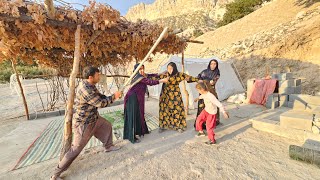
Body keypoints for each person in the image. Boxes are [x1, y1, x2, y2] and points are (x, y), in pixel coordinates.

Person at [50, 67, 122, 180]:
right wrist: (113, 97)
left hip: (94, 118)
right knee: (76, 149)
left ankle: (108, 146)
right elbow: (100, 103)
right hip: (83, 124)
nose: (99, 76)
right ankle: (56, 174)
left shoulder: (91, 85)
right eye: (98, 75)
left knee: (107, 125)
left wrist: (112, 96)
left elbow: (100, 97)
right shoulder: (85, 89)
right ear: (90, 77)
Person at [123, 64, 168, 143]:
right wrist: (162, 80)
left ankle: (141, 131)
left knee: (140, 114)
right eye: (140, 69)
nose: (142, 71)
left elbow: (150, 76)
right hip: (133, 98)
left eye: (143, 68)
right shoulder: (138, 77)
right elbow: (150, 82)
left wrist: (161, 74)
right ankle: (132, 136)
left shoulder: (142, 75)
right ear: (136, 70)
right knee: (133, 116)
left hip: (138, 97)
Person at [155, 62, 199, 133]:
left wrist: (198, 80)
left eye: (171, 68)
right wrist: (144, 76)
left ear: (174, 68)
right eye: (168, 68)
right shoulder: (165, 74)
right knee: (164, 109)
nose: (169, 70)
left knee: (177, 109)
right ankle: (163, 125)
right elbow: (155, 78)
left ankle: (179, 126)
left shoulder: (179, 75)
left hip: (175, 95)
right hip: (165, 95)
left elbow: (189, 78)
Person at [195, 59, 221, 129]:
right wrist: (199, 80)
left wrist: (206, 81)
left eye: (214, 64)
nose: (213, 65)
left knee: (213, 106)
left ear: (216, 65)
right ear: (209, 64)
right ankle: (202, 124)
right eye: (211, 64)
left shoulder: (217, 73)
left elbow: (213, 82)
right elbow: (198, 77)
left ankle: (212, 123)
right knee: (202, 107)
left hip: (211, 91)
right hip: (203, 91)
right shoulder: (204, 71)